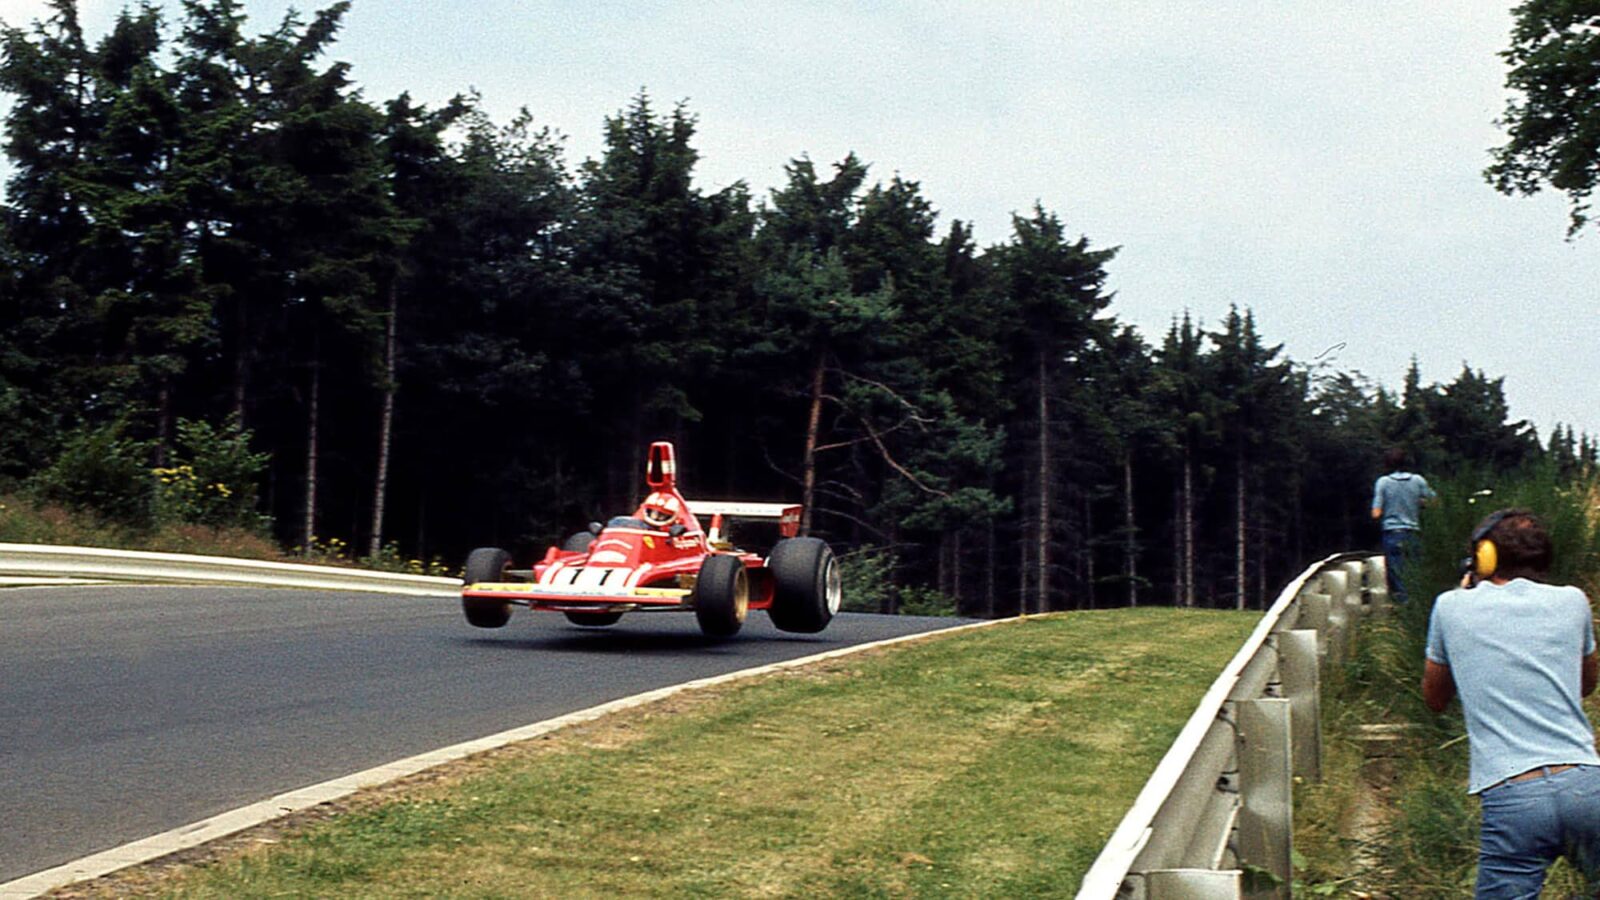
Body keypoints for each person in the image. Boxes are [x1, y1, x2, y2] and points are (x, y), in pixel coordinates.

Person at [1423, 509, 1600, 898]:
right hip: (1587, 784)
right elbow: (1586, 684)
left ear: (1484, 556)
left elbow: (1434, 699)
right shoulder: (1574, 601)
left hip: (1513, 793)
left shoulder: (1450, 606)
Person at [1370, 447, 1436, 603]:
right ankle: (1416, 606)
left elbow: (1376, 513)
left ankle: (1403, 607)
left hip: (1392, 533)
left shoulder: (1383, 482)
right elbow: (1435, 502)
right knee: (1414, 572)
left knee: (1397, 575)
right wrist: (1420, 504)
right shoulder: (1418, 480)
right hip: (1412, 532)